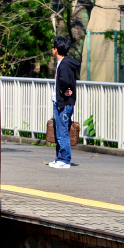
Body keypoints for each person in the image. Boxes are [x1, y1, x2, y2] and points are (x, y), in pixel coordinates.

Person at [49, 36, 81, 169]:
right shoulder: (65, 63)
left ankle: (65, 159)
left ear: (56, 50)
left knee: (62, 132)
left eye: (53, 47)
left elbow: (64, 81)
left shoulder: (64, 64)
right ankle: (59, 158)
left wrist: (63, 91)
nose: (52, 49)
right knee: (60, 131)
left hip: (64, 103)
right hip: (62, 101)